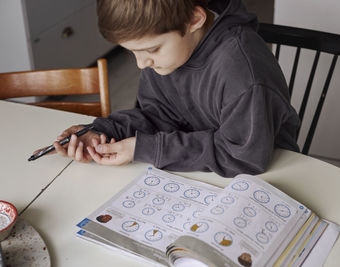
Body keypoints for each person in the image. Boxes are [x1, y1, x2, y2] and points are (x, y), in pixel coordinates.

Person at [45, 0, 300, 177]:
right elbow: (159, 118)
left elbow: (243, 155)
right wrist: (103, 130)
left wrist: (145, 149)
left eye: (151, 49)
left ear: (194, 19)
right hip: (201, 172)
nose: (141, 63)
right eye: (131, 51)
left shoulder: (243, 71)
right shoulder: (167, 58)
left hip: (267, 177)